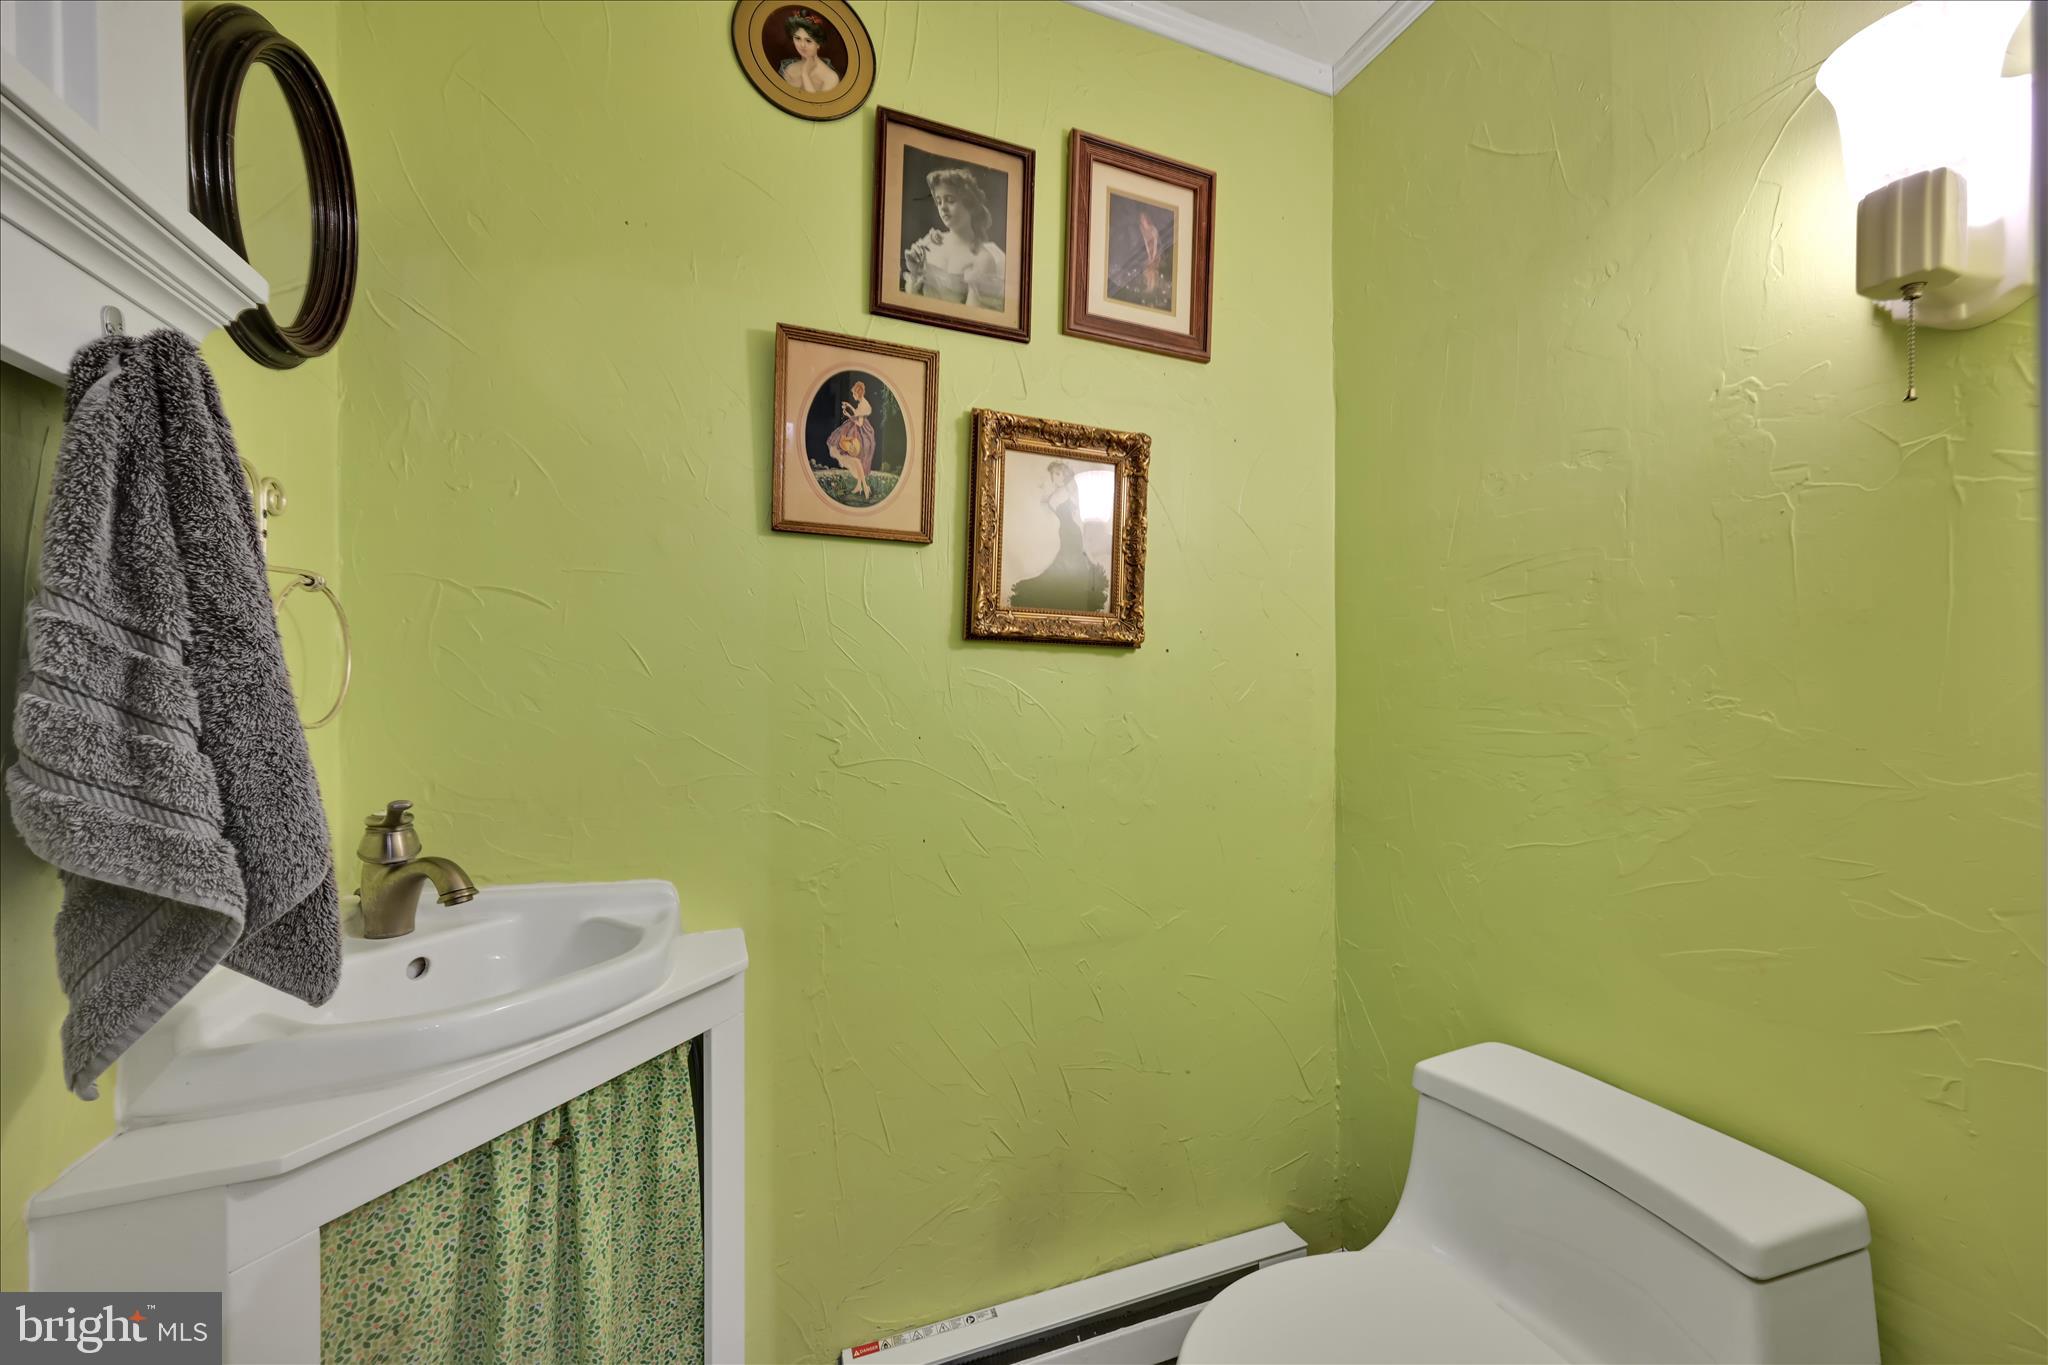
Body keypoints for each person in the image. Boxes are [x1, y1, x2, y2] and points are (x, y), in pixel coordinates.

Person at [1009, 462, 1109, 612]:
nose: (1056, 477)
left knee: (1071, 563)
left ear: (1065, 475)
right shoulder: (1056, 493)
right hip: (1066, 531)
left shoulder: (1065, 492)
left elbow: (1073, 516)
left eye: (1059, 474)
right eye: (1055, 474)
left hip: (1071, 531)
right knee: (1067, 562)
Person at [902, 167, 1005, 311]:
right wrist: (914, 272)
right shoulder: (931, 242)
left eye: (950, 200)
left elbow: (971, 321)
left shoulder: (982, 259)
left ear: (969, 204)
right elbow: (910, 304)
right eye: (939, 202)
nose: (943, 207)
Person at [1110, 204, 1174, 312]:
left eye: (1147, 281)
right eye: (1144, 216)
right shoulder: (1130, 232)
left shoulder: (1152, 232)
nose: (1147, 219)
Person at [821, 380, 877, 500]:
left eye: (853, 394)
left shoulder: (863, 405)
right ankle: (859, 486)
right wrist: (850, 407)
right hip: (858, 431)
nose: (853, 396)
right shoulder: (862, 402)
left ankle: (865, 486)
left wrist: (848, 415)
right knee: (857, 460)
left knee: (857, 460)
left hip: (861, 434)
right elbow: (857, 413)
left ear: (858, 394)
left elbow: (860, 423)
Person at [778, 10, 841, 93]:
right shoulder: (789, 69)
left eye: (808, 41)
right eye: (797, 38)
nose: (802, 45)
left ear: (818, 44)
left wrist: (805, 74)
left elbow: (816, 105)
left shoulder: (831, 77)